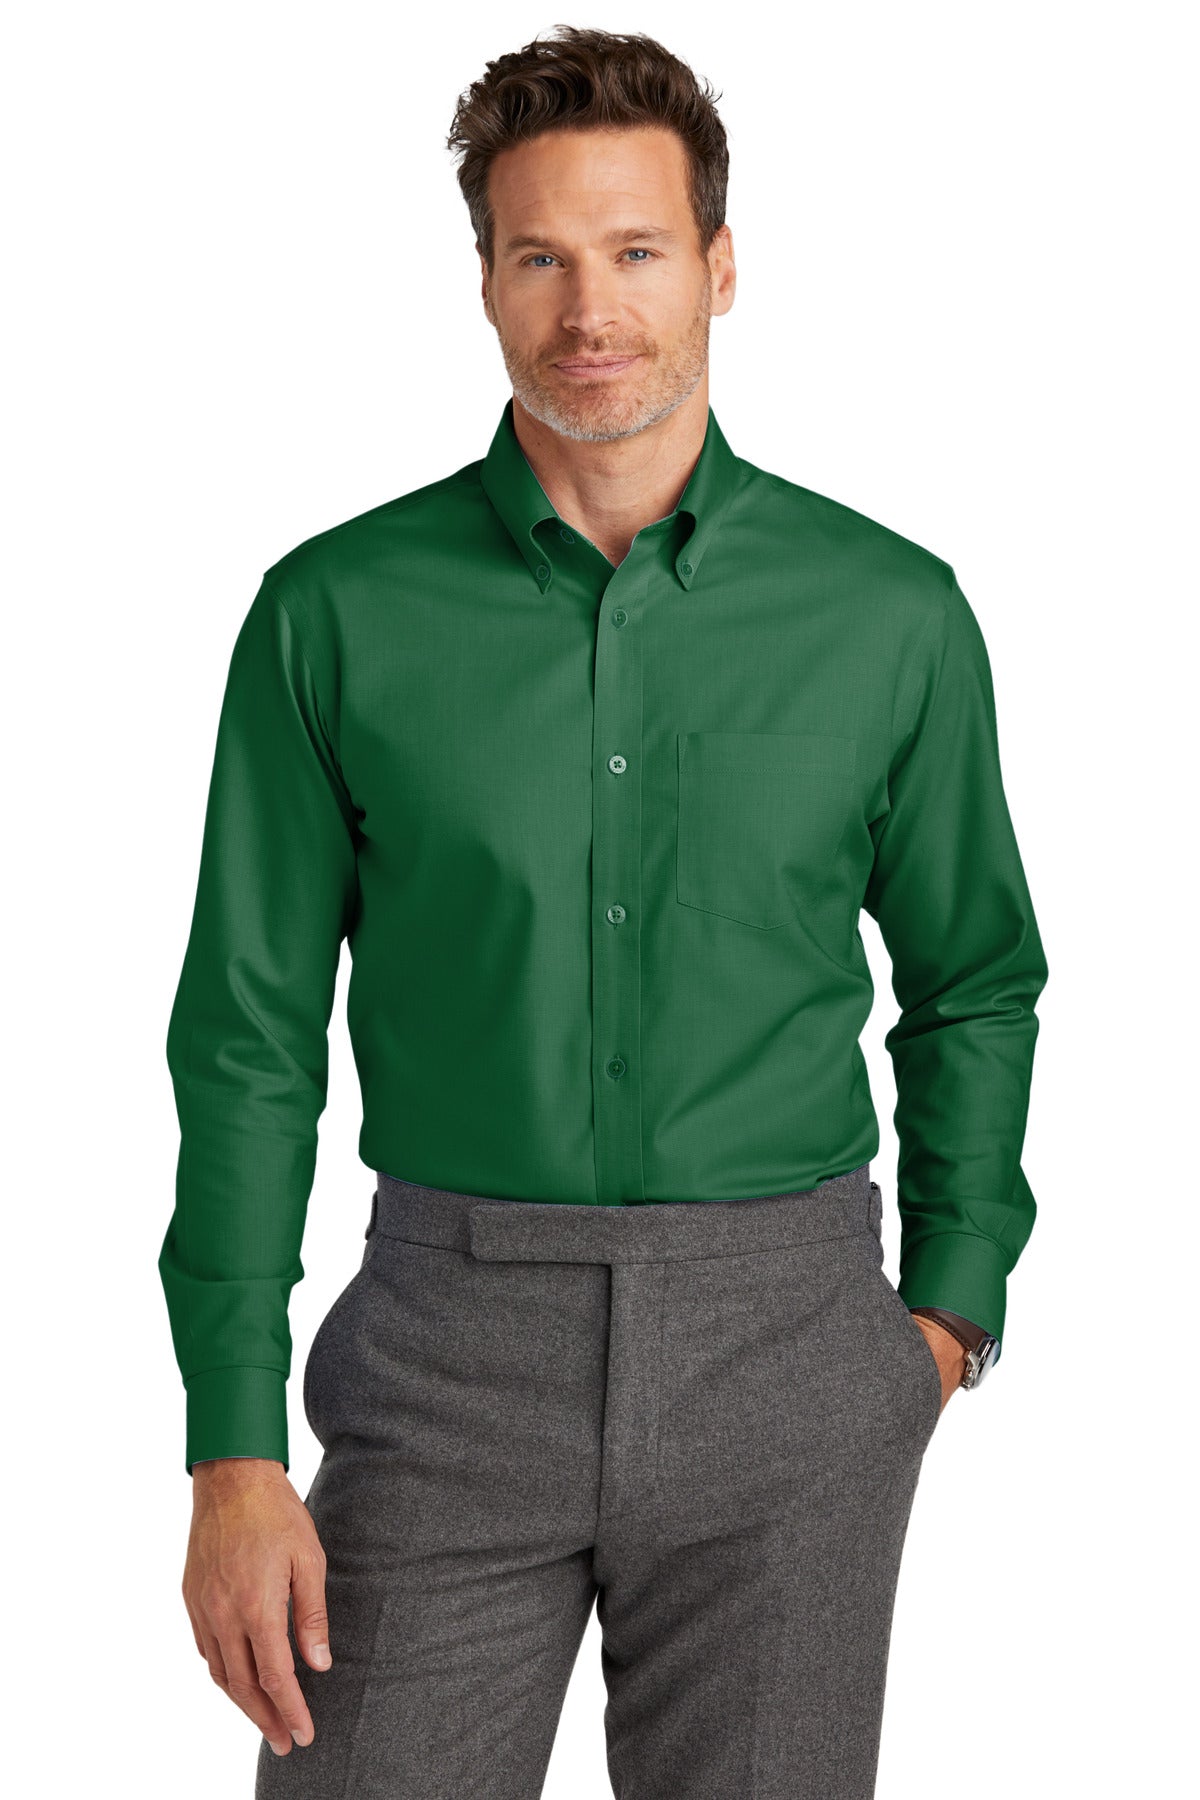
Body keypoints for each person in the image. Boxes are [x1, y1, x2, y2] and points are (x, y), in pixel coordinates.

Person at [160, 24, 1048, 1798]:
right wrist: (231, 1444)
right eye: (539, 257)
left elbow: (973, 981)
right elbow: (247, 1038)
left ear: (719, 265)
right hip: (444, 1352)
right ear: (485, 280)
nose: (591, 309)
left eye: (636, 250)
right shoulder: (333, 614)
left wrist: (943, 1315)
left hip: (792, 1353)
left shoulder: (891, 615)